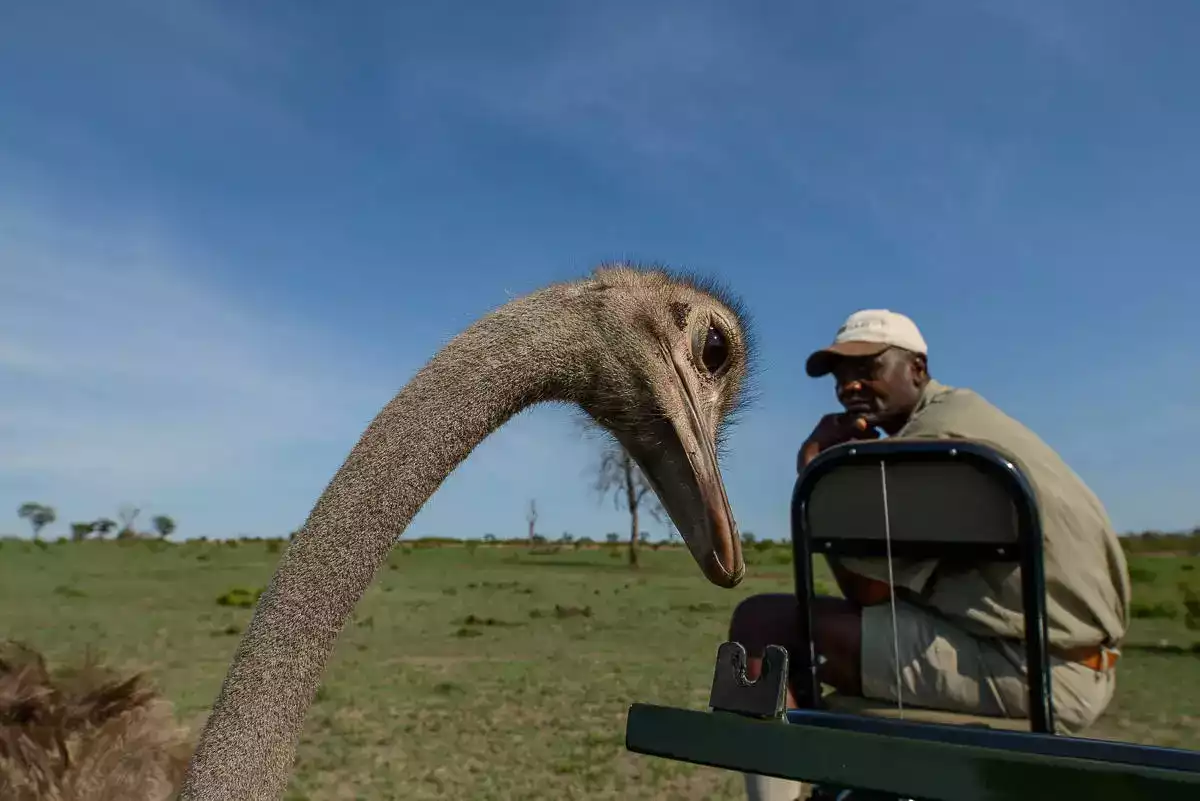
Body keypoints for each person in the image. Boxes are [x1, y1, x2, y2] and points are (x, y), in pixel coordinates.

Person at [733, 309, 1131, 801]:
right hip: (1068, 658)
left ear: (917, 368)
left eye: (868, 369)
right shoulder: (964, 416)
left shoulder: (929, 446)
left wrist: (818, 470)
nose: (849, 386)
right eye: (840, 375)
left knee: (764, 625)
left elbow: (870, 592)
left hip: (1035, 672)